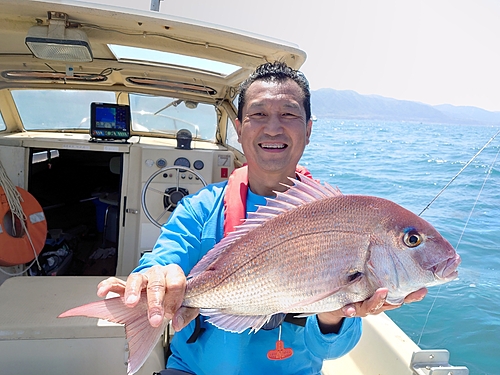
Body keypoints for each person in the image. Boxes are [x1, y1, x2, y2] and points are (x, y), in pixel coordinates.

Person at [98, 61, 427, 374]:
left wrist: (335, 310)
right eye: (258, 114)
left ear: (309, 129)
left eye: (288, 114)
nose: (273, 127)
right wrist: (155, 279)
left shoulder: (336, 215)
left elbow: (331, 351)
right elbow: (163, 258)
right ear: (239, 129)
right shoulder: (198, 209)